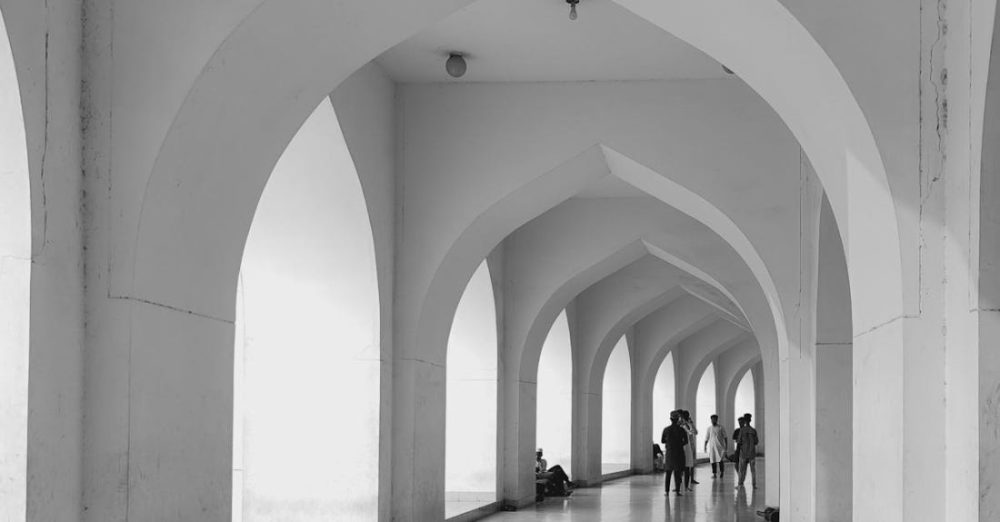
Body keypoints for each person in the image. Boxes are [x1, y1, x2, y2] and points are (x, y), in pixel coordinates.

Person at [661, 410, 688, 495]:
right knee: (677, 473)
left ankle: (667, 491)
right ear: (678, 419)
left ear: (670, 419)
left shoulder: (666, 429)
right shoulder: (682, 430)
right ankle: (677, 491)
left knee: (668, 473)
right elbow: (686, 441)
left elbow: (662, 441)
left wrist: (669, 443)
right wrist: (679, 444)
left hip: (669, 453)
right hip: (679, 453)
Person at [736, 415, 759, 489]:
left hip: (744, 454)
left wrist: (737, 453)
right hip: (752, 453)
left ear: (745, 421)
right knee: (753, 471)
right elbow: (756, 442)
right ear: (750, 420)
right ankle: (754, 485)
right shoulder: (753, 430)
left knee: (742, 470)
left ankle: (740, 484)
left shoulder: (742, 430)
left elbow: (739, 442)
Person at [679, 410, 699, 489]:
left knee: (691, 463)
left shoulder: (689, 423)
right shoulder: (680, 424)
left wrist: (690, 423)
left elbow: (695, 432)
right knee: (682, 465)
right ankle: (680, 481)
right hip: (684, 446)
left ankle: (691, 479)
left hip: (691, 445)